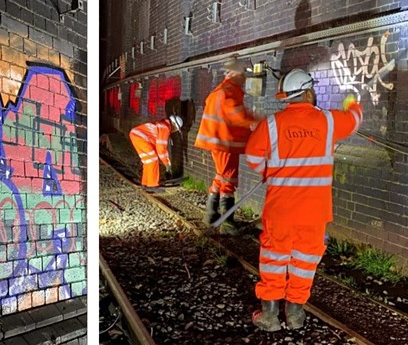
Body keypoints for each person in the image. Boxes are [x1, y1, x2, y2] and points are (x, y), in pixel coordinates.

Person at [245, 69, 363, 331]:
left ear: (287, 97)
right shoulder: (329, 121)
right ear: (309, 92)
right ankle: (295, 315)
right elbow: (355, 121)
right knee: (305, 260)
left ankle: (269, 315)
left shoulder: (272, 124)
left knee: (274, 258)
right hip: (314, 211)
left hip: (280, 208)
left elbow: (253, 156)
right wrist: (352, 103)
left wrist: (269, 173)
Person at [194, 57, 258, 234]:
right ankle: (226, 223)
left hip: (218, 141)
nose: (245, 79)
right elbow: (238, 116)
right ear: (237, 73)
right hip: (225, 142)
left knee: (221, 176)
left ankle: (211, 214)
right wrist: (258, 119)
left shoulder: (220, 89)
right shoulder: (230, 91)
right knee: (229, 179)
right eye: (244, 74)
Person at [129, 115, 183, 193]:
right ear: (174, 125)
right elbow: (161, 148)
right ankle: (152, 185)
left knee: (147, 161)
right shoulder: (165, 128)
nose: (174, 131)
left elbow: (157, 145)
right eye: (176, 129)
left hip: (137, 135)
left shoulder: (162, 125)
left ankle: (145, 183)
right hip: (140, 137)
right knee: (153, 160)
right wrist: (167, 163)